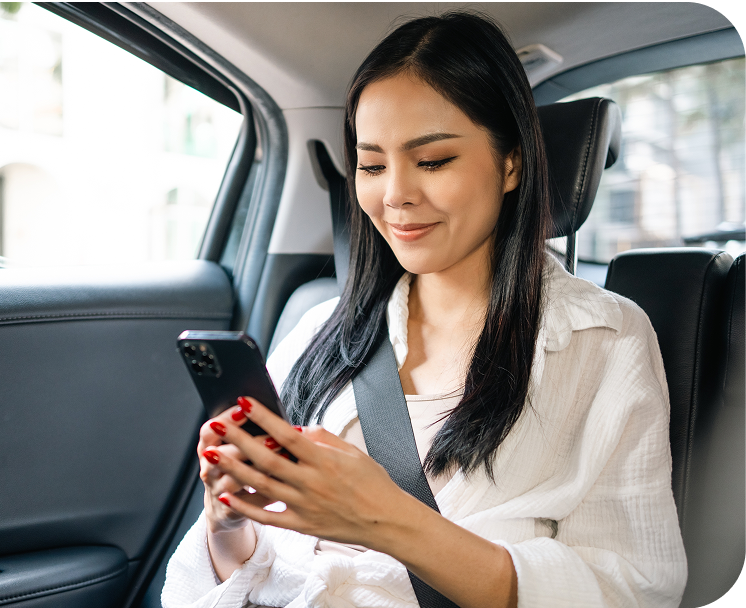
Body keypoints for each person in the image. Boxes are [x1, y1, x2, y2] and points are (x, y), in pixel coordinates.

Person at [161, 11, 687, 608]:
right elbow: (250, 574)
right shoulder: (321, 332)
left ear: (511, 163)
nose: (395, 196)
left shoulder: (602, 339)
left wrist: (385, 519)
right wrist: (229, 526)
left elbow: (631, 592)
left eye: (432, 160)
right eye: (372, 164)